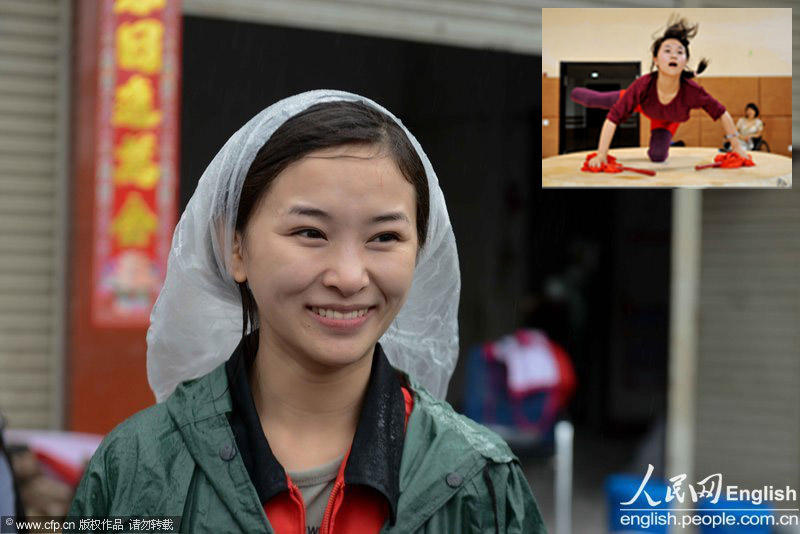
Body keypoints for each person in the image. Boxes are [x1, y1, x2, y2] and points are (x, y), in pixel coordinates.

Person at [67, 90, 546, 533]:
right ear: (233, 245)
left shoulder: (478, 481)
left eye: (385, 237)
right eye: (310, 232)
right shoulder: (134, 468)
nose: (349, 276)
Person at [571, 15, 749, 168]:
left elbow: (722, 113)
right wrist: (601, 154)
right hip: (641, 103)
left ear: (685, 60)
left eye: (680, 52)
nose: (673, 55)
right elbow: (613, 118)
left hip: (667, 120)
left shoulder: (693, 91)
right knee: (593, 99)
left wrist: (737, 147)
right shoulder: (643, 85)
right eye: (667, 51)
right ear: (656, 59)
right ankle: (572, 89)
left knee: (657, 156)